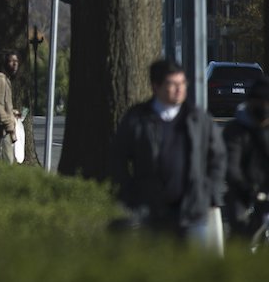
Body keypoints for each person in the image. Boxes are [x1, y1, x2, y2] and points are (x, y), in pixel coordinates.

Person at [110, 58, 226, 247]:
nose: (179, 89)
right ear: (156, 87)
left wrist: (210, 192)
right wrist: (129, 193)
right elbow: (118, 158)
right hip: (151, 211)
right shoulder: (138, 119)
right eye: (172, 84)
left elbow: (218, 157)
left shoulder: (197, 118)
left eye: (182, 83)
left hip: (192, 211)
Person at [223, 76, 269, 236]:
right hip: (243, 193)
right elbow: (231, 166)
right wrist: (248, 189)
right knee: (242, 231)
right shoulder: (235, 131)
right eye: (260, 101)